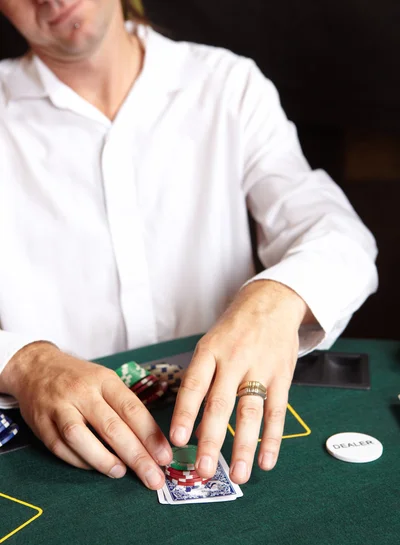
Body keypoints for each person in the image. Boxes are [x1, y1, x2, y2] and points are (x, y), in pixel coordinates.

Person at [0, 0, 378, 490]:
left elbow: (338, 233)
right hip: (62, 464)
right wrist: (25, 362)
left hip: (221, 432)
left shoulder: (229, 84)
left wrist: (274, 300)